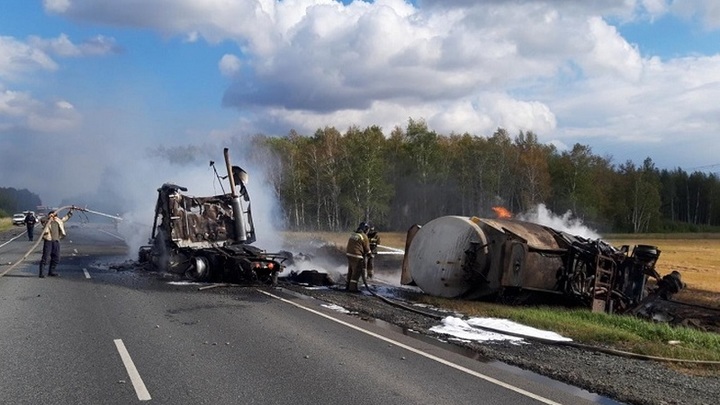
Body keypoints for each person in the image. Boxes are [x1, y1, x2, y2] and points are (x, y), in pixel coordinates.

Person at [38, 209, 74, 278]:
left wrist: (71, 212)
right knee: (45, 257)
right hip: (48, 240)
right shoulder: (46, 221)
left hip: (56, 241)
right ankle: (41, 273)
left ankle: (51, 271)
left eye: (55, 215)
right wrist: (49, 218)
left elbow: (66, 218)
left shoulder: (59, 221)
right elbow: (42, 220)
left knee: (56, 258)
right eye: (52, 215)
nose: (54, 217)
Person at [345, 221, 371, 292]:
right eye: (367, 229)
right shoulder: (364, 236)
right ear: (365, 229)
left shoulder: (354, 234)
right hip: (357, 256)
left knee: (350, 271)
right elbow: (367, 249)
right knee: (356, 272)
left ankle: (347, 286)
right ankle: (353, 288)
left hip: (349, 254)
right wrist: (370, 255)